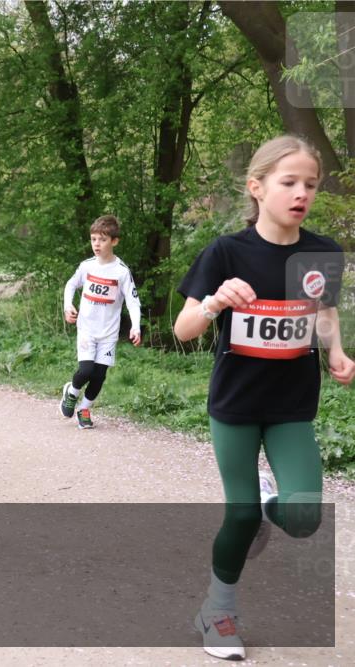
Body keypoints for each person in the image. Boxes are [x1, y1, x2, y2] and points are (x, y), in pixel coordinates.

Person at [172, 135, 354, 661]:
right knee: (242, 515)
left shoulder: (322, 252)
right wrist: (212, 301)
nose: (302, 193)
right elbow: (183, 330)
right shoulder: (227, 252)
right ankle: (218, 611)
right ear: (257, 188)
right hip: (236, 406)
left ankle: (270, 489)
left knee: (302, 519)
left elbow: (323, 312)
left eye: (311, 185)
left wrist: (336, 352)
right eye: (289, 182)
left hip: (291, 406)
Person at [58, 215, 142, 429]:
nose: (96, 244)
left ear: (114, 241)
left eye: (102, 240)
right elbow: (70, 285)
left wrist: (135, 326)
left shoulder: (121, 272)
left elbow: (133, 302)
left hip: (108, 333)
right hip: (86, 328)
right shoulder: (87, 267)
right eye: (93, 239)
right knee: (85, 371)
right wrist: (68, 306)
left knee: (99, 376)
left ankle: (84, 409)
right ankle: (72, 392)